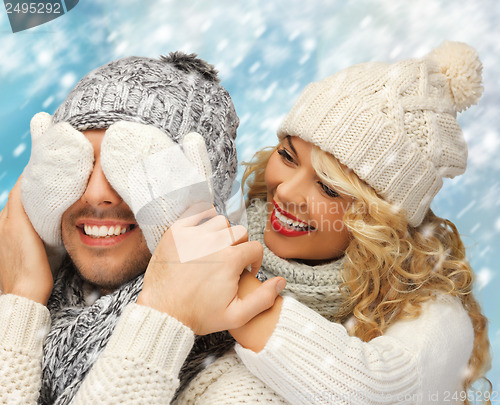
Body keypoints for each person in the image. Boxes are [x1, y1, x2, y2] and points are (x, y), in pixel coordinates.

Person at [172, 41, 493, 404]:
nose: (287, 192)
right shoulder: (232, 225)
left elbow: (373, 391)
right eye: (288, 156)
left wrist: (225, 280)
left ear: (381, 219)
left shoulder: (433, 315)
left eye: (328, 187)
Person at [0, 52, 284, 404]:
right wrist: (21, 297)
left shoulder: (239, 382)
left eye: (135, 168)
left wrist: (164, 316)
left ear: (201, 188)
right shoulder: (19, 296)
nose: (97, 194)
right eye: (75, 163)